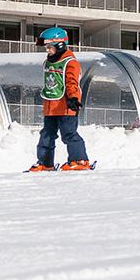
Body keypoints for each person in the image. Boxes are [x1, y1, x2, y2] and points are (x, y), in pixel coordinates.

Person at [28, 28, 93, 172]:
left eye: (50, 47)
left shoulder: (70, 62)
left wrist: (74, 99)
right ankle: (45, 163)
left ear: (60, 45)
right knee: (47, 135)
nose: (48, 51)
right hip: (51, 106)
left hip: (66, 106)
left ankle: (80, 160)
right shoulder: (48, 62)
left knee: (69, 134)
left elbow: (72, 82)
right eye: (47, 48)